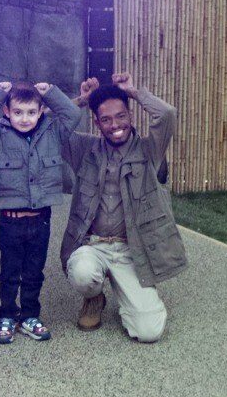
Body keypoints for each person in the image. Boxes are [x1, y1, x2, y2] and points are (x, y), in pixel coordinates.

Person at [60, 73, 187, 343]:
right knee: (82, 274)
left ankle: (129, 293)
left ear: (130, 116)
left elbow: (167, 115)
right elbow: (47, 126)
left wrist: (132, 92)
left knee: (149, 331)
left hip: (131, 250)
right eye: (105, 119)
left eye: (121, 116)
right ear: (96, 122)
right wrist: (83, 100)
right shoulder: (85, 149)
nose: (114, 125)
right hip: (93, 246)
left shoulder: (149, 150)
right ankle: (94, 298)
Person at [0, 81, 80, 343]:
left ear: (41, 111)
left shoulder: (53, 133)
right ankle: (7, 315)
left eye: (31, 112)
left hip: (40, 221)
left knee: (34, 271)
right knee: (9, 272)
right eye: (18, 112)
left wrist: (50, 91)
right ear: (7, 112)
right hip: (10, 222)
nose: (25, 118)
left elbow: (73, 115)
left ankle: (30, 315)